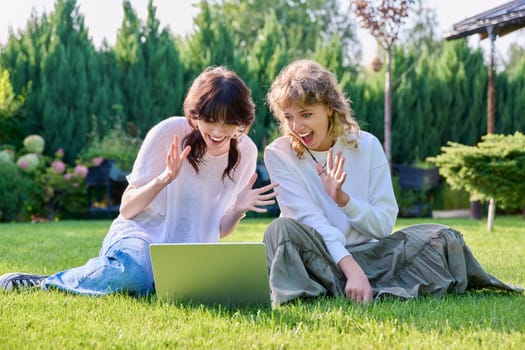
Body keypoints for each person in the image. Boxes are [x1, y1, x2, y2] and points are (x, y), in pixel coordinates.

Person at [262, 59, 523, 306]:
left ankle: (345, 287)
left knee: (442, 237)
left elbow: (383, 226)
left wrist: (345, 202)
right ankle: (347, 285)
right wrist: (351, 270)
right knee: (280, 231)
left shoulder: (366, 145)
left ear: (329, 108)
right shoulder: (279, 153)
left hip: (374, 258)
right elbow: (310, 219)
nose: (296, 126)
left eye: (306, 114)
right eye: (288, 117)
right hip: (321, 260)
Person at [0, 66, 277, 296]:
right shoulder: (169, 132)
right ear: (195, 116)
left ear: (243, 122)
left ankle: (146, 281)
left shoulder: (246, 151)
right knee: (134, 275)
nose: (218, 132)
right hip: (139, 237)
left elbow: (220, 230)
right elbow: (128, 209)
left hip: (187, 256)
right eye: (210, 120)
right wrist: (164, 179)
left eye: (230, 123)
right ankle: (46, 282)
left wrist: (239, 208)